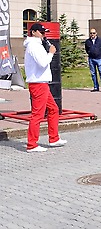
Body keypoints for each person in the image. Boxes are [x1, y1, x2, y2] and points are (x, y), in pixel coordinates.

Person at [23, 23, 67, 152]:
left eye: (45, 32)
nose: (44, 35)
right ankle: (32, 144)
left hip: (42, 83)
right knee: (37, 114)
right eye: (42, 33)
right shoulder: (33, 46)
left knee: (53, 109)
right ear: (34, 32)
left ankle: (54, 138)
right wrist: (51, 53)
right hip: (38, 83)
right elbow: (42, 63)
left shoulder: (36, 45)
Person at [84, 28, 101, 93]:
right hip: (91, 59)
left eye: (93, 33)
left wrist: (100, 54)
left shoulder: (100, 40)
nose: (92, 34)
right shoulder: (87, 41)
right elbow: (86, 49)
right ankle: (95, 87)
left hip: (99, 59)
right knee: (93, 74)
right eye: (91, 33)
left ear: (96, 33)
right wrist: (90, 53)